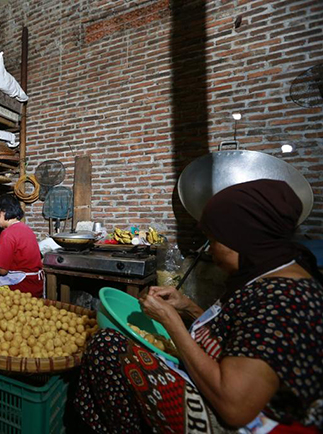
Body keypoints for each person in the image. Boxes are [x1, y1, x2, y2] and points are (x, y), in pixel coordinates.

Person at [74, 179, 323, 433]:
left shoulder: (284, 299)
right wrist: (188, 307)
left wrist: (172, 322)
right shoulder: (268, 274)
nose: (210, 250)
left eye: (214, 240)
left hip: (245, 423)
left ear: (244, 240)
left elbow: (234, 408)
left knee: (107, 347)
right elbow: (243, 336)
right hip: (223, 387)